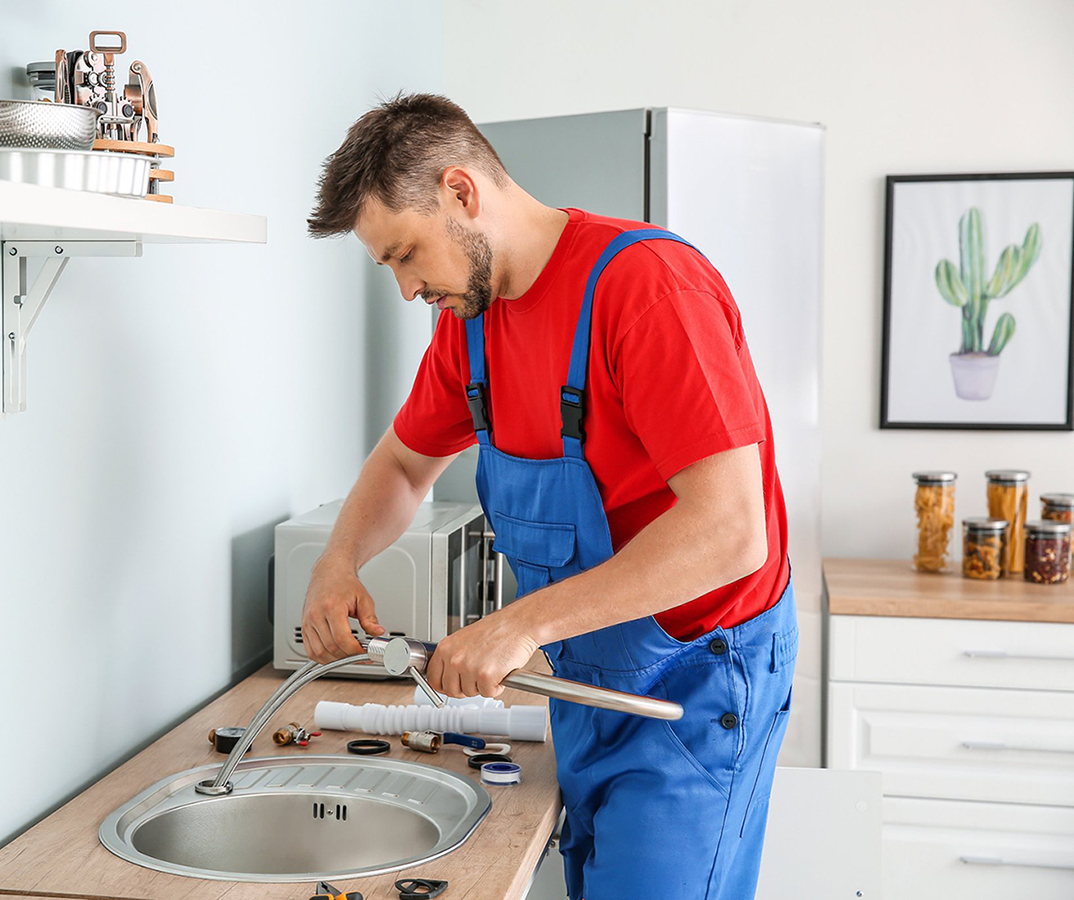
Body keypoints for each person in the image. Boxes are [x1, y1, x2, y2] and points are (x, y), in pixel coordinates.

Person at [304, 92, 798, 900]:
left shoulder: (647, 290)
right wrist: (338, 559)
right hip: (583, 678)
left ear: (461, 192)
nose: (405, 287)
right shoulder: (468, 323)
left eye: (404, 254)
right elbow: (402, 464)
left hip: (697, 687)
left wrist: (517, 626)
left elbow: (733, 530)